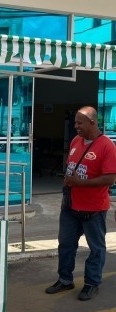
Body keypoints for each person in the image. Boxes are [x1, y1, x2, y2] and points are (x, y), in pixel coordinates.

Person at [45, 106, 116, 301]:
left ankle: (92, 283)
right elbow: (71, 164)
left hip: (93, 209)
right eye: (75, 122)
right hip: (70, 206)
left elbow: (110, 178)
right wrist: (69, 179)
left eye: (79, 122)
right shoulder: (76, 141)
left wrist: (81, 183)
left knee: (96, 248)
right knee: (66, 244)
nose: (76, 126)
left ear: (92, 122)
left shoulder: (107, 146)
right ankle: (65, 279)